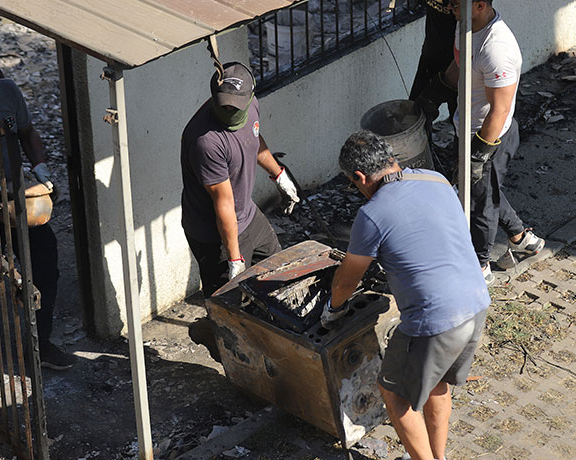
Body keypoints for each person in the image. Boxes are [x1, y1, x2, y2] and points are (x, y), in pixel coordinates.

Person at [322, 131, 490, 460]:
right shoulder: (436, 179)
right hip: (475, 301)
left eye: (352, 183)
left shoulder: (372, 214)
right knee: (436, 383)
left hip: (435, 319)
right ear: (390, 159)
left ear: (359, 176)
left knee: (394, 392)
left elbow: (347, 280)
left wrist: (333, 310)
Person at [0, 45, 75, 370]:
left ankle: (42, 344)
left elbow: (24, 131)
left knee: (45, 264)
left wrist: (41, 169)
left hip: (15, 199)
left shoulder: (5, 92)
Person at [442, 0, 544, 284]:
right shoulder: (466, 24)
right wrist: (434, 91)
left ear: (480, 4)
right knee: (484, 190)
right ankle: (521, 238)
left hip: (491, 136)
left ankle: (480, 267)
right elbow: (459, 64)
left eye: (454, 2)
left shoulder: (496, 48)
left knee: (481, 203)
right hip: (469, 128)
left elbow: (499, 109)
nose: (449, 6)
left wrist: (479, 155)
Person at [180, 62, 300, 298]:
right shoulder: (205, 141)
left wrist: (279, 175)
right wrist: (234, 258)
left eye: (236, 108)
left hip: (248, 216)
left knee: (279, 269)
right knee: (229, 305)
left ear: (250, 97)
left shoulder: (252, 106)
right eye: (224, 106)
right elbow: (223, 203)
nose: (229, 112)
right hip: (215, 234)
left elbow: (253, 138)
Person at [411, 0, 458, 133]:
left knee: (460, 120)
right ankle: (426, 153)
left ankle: (462, 153)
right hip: (429, 56)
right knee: (417, 115)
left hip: (456, 64)